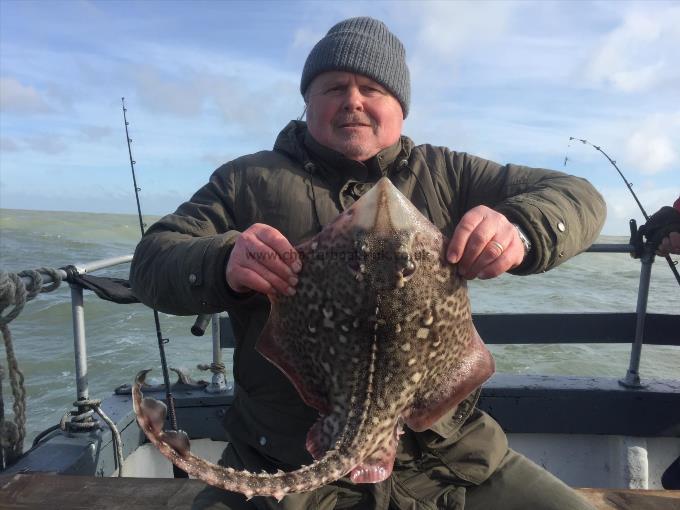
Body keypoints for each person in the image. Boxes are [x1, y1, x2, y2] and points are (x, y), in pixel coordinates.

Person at [130, 17, 605, 510]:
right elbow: (150, 262)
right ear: (308, 102)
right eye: (334, 87)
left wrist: (521, 228)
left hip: (451, 459)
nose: (353, 100)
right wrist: (221, 260)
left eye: (372, 88)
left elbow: (579, 196)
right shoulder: (246, 181)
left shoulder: (447, 173)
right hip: (286, 465)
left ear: (400, 108)